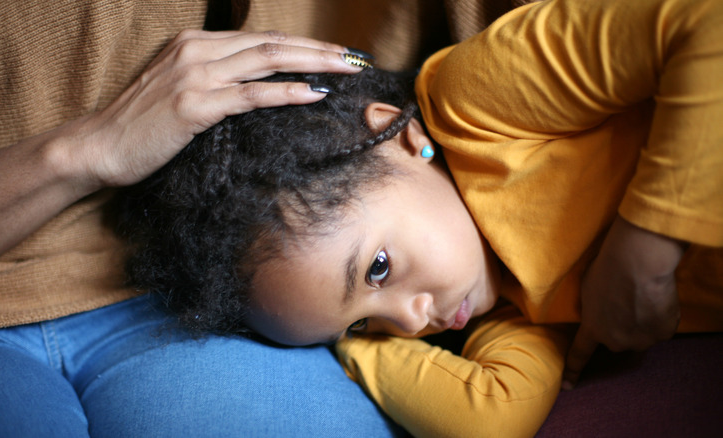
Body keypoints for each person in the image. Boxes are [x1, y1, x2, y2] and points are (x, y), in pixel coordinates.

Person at [118, 0, 723, 436]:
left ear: (392, 134)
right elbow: (491, 419)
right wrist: (344, 347)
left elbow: (704, 25)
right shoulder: (513, 312)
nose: (409, 323)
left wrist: (644, 249)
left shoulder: (480, 105)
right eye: (362, 326)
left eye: (378, 270)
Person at [0, 0, 503, 435]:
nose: (407, 331)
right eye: (376, 270)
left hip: (191, 311)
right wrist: (85, 154)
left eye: (377, 273)